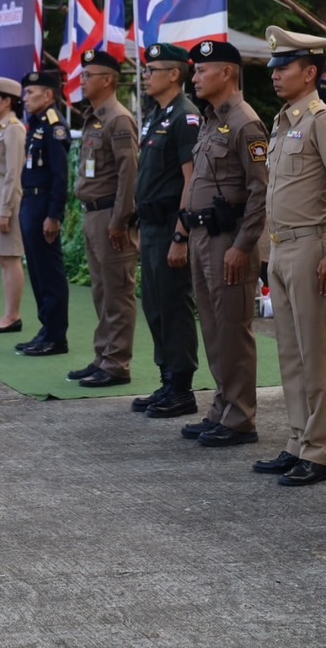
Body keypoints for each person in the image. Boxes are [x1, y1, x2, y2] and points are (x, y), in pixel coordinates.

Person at [252, 27, 326, 486]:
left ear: (310, 73)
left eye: (285, 68)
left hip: (310, 246)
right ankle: (297, 440)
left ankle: (320, 450)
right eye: (274, 68)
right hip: (280, 248)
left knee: (315, 354)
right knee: (291, 352)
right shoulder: (282, 121)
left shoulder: (321, 119)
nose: (276, 76)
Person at [174, 40, 268, 448]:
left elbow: (261, 192)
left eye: (201, 70)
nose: (194, 77)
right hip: (202, 237)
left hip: (228, 241)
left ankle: (241, 417)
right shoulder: (213, 120)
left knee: (233, 330)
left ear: (227, 72)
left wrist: (243, 246)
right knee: (213, 328)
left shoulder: (246, 122)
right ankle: (222, 407)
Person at [132, 42, 203, 419]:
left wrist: (181, 233)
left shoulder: (184, 117)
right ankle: (166, 379)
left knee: (174, 306)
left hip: (171, 225)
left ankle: (181, 388)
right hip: (152, 224)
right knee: (155, 305)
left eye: (152, 70)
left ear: (174, 74)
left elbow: (189, 181)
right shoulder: (157, 115)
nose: (146, 76)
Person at [68, 49, 139, 389]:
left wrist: (120, 219)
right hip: (93, 212)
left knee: (117, 291)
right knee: (101, 291)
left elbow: (129, 173)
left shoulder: (118, 118)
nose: (82, 81)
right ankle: (103, 356)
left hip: (111, 214)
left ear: (108, 80)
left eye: (88, 76)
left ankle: (116, 363)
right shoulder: (95, 117)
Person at [16, 70, 71, 355]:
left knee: (49, 272)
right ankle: (45, 329)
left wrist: (55, 215)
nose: (25, 98)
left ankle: (56, 336)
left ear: (48, 95)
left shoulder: (53, 126)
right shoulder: (36, 124)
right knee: (37, 271)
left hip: (43, 206)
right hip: (30, 202)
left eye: (30, 93)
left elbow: (60, 176)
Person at [0, 77, 30, 340]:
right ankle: (9, 312)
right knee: (3, 257)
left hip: (7, 193)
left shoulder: (13, 129)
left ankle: (13, 315)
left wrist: (6, 209)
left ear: (8, 101)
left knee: (10, 256)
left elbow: (14, 173)